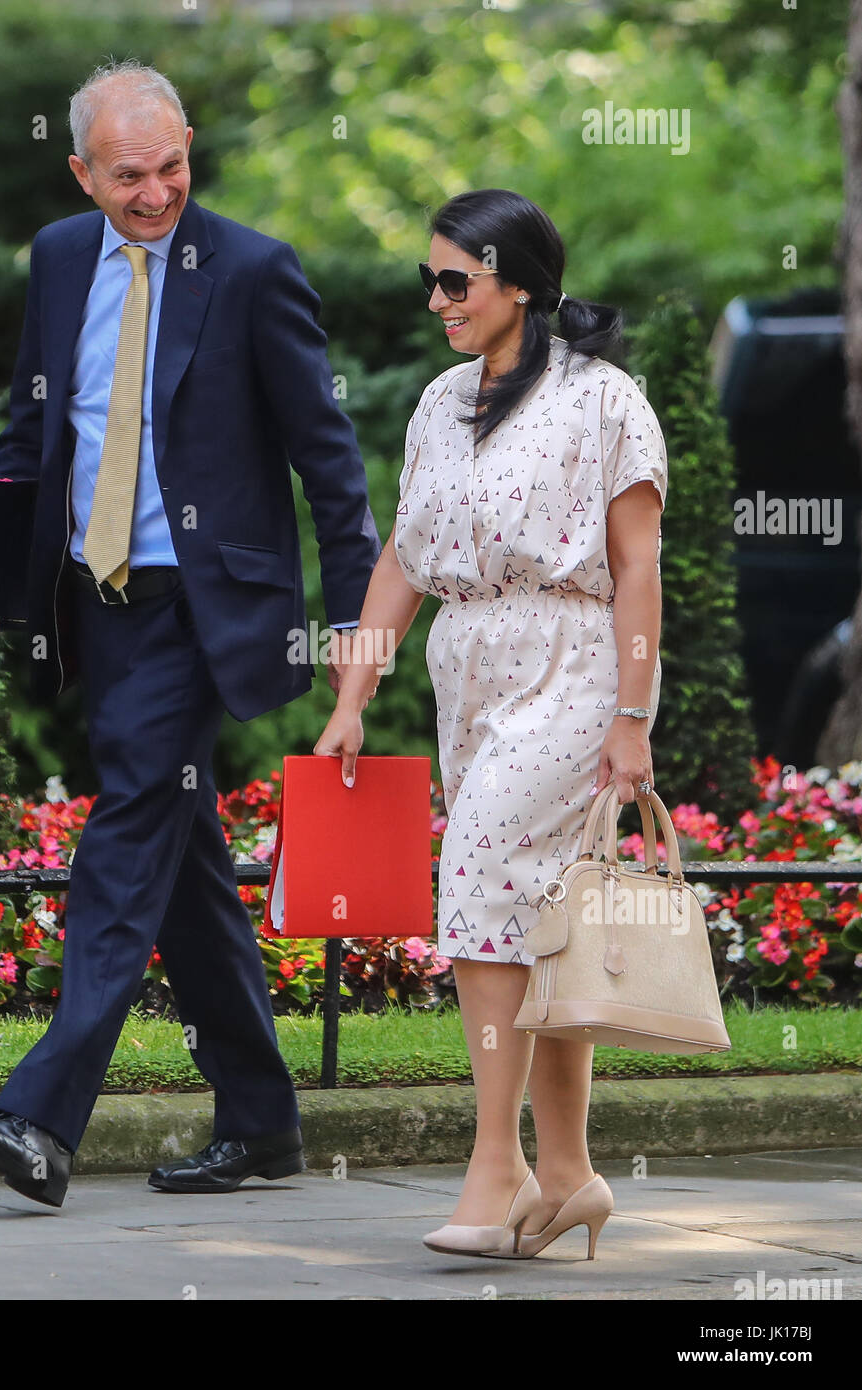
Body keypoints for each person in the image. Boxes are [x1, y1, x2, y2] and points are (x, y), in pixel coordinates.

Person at [0, 60, 381, 1207]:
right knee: (182, 860)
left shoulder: (251, 269)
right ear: (81, 171)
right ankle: (264, 1123)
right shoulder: (54, 257)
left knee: (128, 828)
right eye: (129, 175)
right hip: (100, 604)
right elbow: (36, 421)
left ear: (191, 146)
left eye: (173, 165)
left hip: (204, 607)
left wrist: (357, 630)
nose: (155, 193)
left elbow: (330, 466)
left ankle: (40, 1119)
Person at [315, 188, 667, 1260]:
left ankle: (496, 1165)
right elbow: (402, 561)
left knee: (473, 877)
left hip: (570, 663)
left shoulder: (606, 399)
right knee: (535, 919)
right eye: (430, 280)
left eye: (454, 280)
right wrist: (352, 697)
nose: (436, 300)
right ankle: (570, 1173)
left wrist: (632, 715)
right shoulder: (437, 404)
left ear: (518, 282)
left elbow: (640, 564)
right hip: (466, 670)